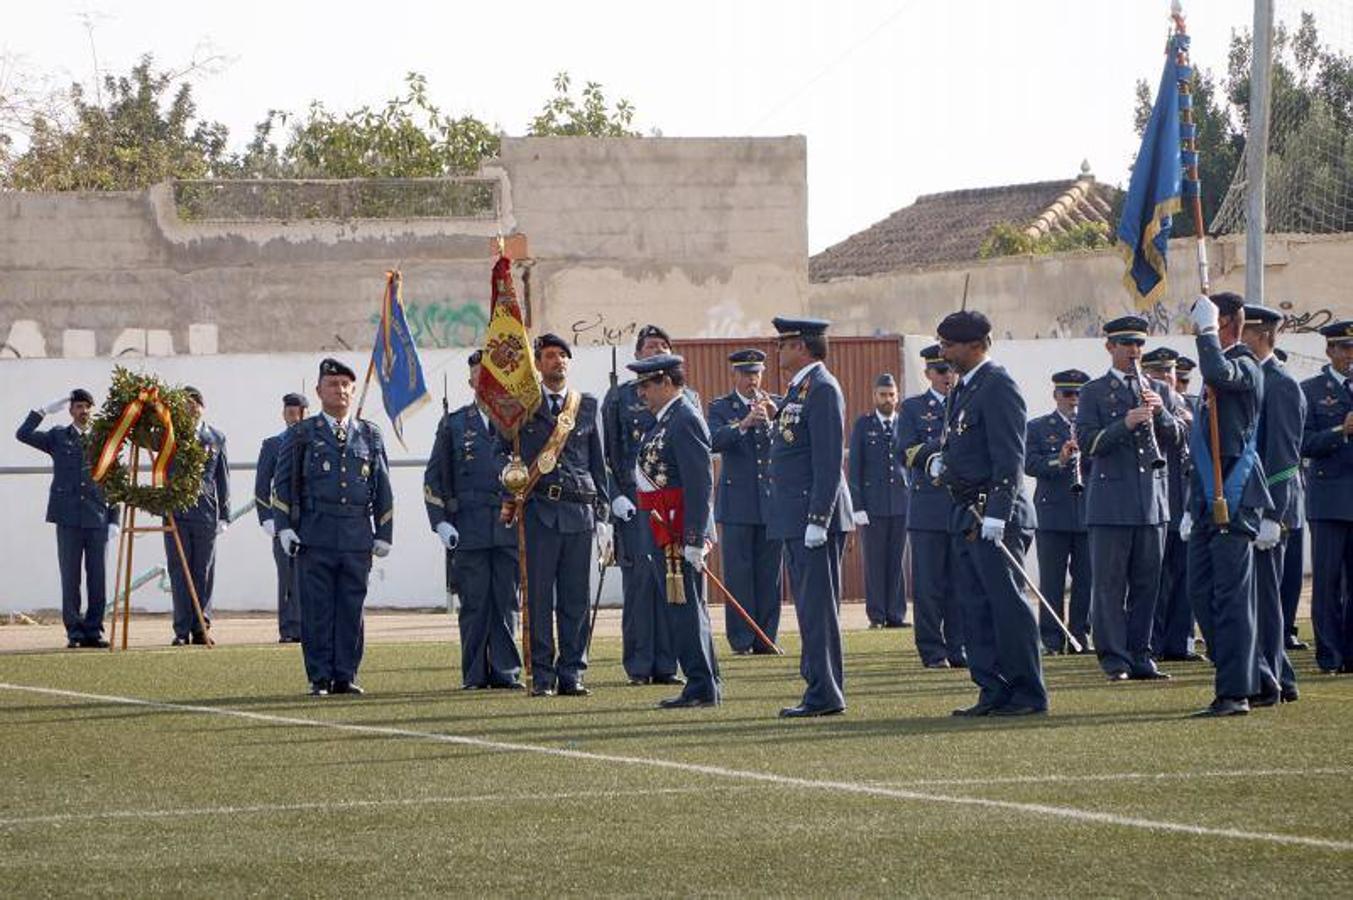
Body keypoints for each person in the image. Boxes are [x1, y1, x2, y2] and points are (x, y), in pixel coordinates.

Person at [921, 310, 1046, 717]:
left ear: (976, 345)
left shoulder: (998, 386)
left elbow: (1010, 456)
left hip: (996, 518)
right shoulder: (964, 388)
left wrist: (998, 512)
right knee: (975, 607)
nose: (943, 352)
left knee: (1007, 607)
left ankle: (1027, 692)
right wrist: (942, 463)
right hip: (965, 514)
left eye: (949, 345)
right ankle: (992, 689)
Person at [273, 358, 393, 696]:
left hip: (356, 534)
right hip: (316, 533)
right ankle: (319, 676)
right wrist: (284, 527)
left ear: (353, 390)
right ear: (319, 391)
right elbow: (283, 484)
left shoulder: (370, 434)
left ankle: (346, 674)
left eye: (345, 385)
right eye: (332, 384)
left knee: (351, 607)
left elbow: (382, 486)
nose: (339, 390)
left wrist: (384, 532)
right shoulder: (302, 434)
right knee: (317, 608)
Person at [502, 333, 611, 697]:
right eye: (549, 356)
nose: (557, 361)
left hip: (579, 513)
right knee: (539, 598)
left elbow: (597, 462)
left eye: (563, 356)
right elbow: (499, 449)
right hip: (540, 514)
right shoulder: (523, 406)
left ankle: (573, 672)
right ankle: (543, 675)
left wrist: (605, 514)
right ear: (537, 363)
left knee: (575, 599)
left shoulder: (587, 405)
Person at [1075, 317, 1183, 681]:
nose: (1134, 351)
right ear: (1110, 347)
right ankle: (1114, 659)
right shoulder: (1092, 392)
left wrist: (1161, 413)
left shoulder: (1159, 390)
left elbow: (1179, 440)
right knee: (1109, 586)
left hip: (1152, 503)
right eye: (1126, 344)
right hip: (1110, 505)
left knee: (1148, 585)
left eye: (1138, 344)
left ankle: (1141, 654)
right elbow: (1088, 445)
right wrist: (1126, 423)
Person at [1184, 292, 1272, 717]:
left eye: (1210, 324)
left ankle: (1235, 692)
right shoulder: (1215, 373)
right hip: (1207, 499)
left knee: (1231, 598)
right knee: (1202, 592)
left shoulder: (1246, 365)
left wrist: (1206, 334)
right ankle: (1260, 676)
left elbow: (1219, 370)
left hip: (1235, 496)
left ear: (1228, 325)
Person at [769, 316, 853, 718]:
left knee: (817, 609)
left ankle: (825, 692)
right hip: (796, 516)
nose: (778, 350)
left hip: (812, 519)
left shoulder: (821, 388)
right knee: (809, 608)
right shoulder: (800, 388)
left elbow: (828, 459)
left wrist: (819, 517)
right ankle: (821, 687)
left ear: (801, 345)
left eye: (783, 343)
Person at [425, 351, 522, 690]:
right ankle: (475, 674)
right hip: (469, 527)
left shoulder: (517, 422)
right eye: (479, 377)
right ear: (471, 383)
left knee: (507, 601)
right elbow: (434, 477)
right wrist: (440, 521)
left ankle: (507, 671)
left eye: (491, 376)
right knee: (475, 604)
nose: (485, 382)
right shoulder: (454, 423)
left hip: (509, 523)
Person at [602, 324, 692, 686]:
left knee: (669, 584)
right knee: (640, 587)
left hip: (671, 507)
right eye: (650, 347)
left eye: (663, 346)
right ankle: (640, 665)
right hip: (634, 505)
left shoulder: (687, 398)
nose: (657, 351)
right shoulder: (619, 398)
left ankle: (667, 665)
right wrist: (616, 497)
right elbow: (605, 456)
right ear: (637, 355)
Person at [629, 353, 721, 707]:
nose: (642, 394)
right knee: (682, 611)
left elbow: (700, 483)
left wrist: (696, 538)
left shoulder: (684, 419)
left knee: (686, 611)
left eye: (647, 385)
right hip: (662, 528)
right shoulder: (665, 420)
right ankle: (704, 682)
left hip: (678, 532)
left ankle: (701, 685)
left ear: (666, 382)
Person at [15, 388, 119, 648]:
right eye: (79, 406)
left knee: (98, 578)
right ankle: (74, 632)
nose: (84, 411)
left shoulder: (103, 439)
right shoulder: (58, 437)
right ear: (71, 410)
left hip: (97, 517)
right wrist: (42, 411)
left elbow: (115, 481)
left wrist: (114, 519)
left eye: (87, 407)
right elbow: (22, 434)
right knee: (70, 577)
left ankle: (94, 631)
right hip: (68, 518)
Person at [1241, 305, 1304, 704]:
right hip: (1255, 505)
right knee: (1258, 599)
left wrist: (1271, 516)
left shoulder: (1279, 383)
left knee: (1266, 599)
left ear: (1262, 335)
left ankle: (1276, 679)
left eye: (1243, 331)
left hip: (1272, 508)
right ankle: (1280, 675)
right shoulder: (1257, 378)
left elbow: (1282, 457)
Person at [706, 348, 782, 654]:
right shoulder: (722, 407)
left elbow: (791, 443)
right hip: (738, 504)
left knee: (769, 576)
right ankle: (741, 639)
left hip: (770, 504)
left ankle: (766, 639)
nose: (753, 380)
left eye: (757, 373)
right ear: (735, 375)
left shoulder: (775, 403)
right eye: (747, 374)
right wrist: (744, 423)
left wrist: (775, 423)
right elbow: (713, 439)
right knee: (739, 575)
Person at [900, 344, 965, 668]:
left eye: (951, 369)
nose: (947, 376)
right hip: (927, 509)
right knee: (929, 587)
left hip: (960, 505)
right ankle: (932, 651)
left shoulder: (966, 404)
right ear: (928, 373)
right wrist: (939, 445)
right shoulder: (913, 408)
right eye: (941, 371)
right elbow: (905, 452)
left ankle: (958, 647)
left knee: (959, 583)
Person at [1024, 368, 1091, 654]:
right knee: (1051, 582)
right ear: (1056, 395)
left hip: (1088, 513)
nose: (1073, 400)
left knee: (1085, 581)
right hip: (1052, 515)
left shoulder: (1092, 427)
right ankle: (1052, 639)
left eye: (1078, 394)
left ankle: (1079, 637)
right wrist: (1059, 459)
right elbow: (1029, 465)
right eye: (1067, 394)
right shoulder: (1038, 427)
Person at [1141, 347, 1201, 662]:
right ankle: (1154, 643)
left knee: (1186, 579)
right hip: (1158, 504)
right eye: (1157, 373)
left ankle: (1182, 643)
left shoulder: (1192, 406)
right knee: (1155, 580)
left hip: (1189, 503)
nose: (1166, 378)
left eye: (1170, 372)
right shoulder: (1144, 409)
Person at [1300, 319, 1353, 675]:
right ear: (1329, 351)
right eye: (1345, 348)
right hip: (1330, 498)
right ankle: (1330, 654)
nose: (1350, 356)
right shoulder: (1311, 390)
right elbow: (1302, 444)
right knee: (1328, 581)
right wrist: (1340, 430)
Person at [165, 386, 229, 646]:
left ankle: (201, 626)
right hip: (177, 512)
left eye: (195, 403)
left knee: (203, 571)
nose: (191, 408)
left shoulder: (216, 437)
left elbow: (222, 478)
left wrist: (224, 513)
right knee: (179, 571)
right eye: (186, 404)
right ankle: (181, 629)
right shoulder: (171, 436)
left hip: (205, 513)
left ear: (203, 406)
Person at [848, 373, 910, 629]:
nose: (887, 399)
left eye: (891, 395)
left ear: (897, 397)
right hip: (872, 506)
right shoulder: (863, 425)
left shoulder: (906, 424)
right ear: (874, 396)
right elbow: (855, 469)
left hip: (901, 503)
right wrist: (858, 506)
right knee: (875, 562)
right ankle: (877, 615)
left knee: (897, 561)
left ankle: (896, 614)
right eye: (882, 394)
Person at [255, 392, 308, 643]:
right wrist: (267, 517)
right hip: (284, 518)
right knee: (287, 577)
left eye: (298, 412)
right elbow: (262, 486)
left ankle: (310, 627)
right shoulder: (273, 444)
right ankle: (289, 628)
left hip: (311, 520)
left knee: (311, 576)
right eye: (289, 412)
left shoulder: (316, 442)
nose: (294, 416)